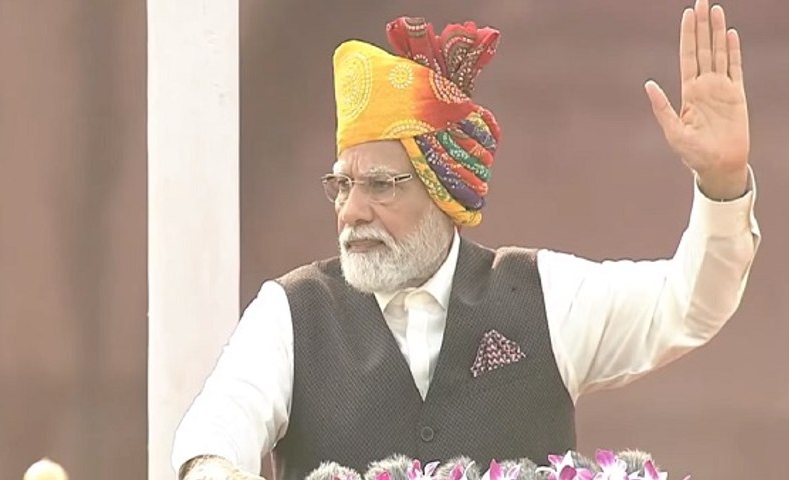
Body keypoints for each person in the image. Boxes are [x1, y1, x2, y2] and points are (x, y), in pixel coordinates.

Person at [172, 1, 760, 479]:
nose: (352, 211)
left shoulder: (542, 295)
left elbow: (689, 303)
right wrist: (213, 469)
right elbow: (218, 427)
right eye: (342, 185)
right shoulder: (292, 313)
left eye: (380, 185)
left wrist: (722, 182)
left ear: (443, 191)